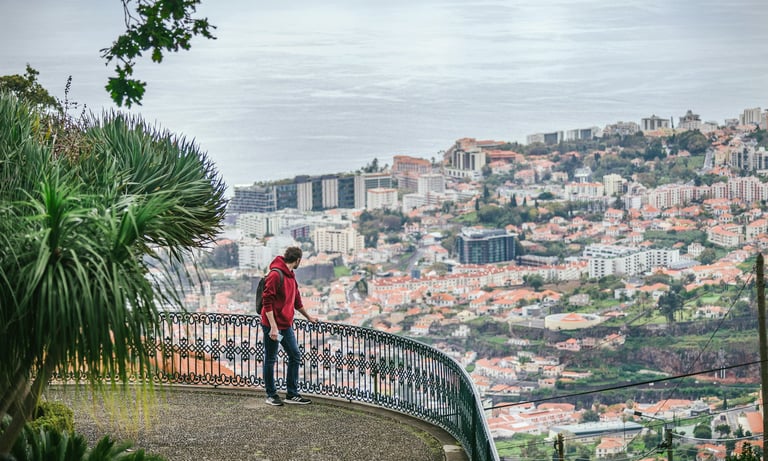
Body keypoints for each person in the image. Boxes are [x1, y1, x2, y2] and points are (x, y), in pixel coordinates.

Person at [261, 246, 318, 406]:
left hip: (285, 326)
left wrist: (309, 317)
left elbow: (297, 301)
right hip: (272, 326)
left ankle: (292, 394)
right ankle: (271, 394)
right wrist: (273, 327)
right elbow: (267, 302)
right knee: (271, 358)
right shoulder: (275, 274)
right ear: (298, 260)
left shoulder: (291, 277)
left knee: (295, 355)